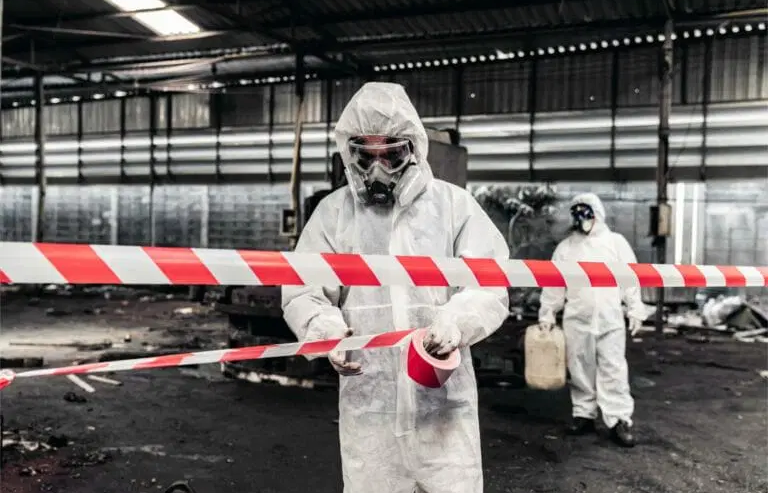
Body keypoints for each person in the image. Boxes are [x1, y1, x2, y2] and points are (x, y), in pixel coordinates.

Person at [281, 82, 509, 492]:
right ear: (348, 155)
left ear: (415, 149)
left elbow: (489, 284)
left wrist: (456, 322)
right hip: (371, 402)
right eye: (365, 157)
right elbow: (304, 290)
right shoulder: (333, 215)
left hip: (443, 404)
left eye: (392, 155)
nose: (378, 171)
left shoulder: (454, 208)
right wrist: (324, 330)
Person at [538, 192, 646, 448]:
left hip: (610, 317)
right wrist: (548, 313)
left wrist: (635, 309)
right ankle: (583, 414)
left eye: (587, 214)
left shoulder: (616, 243)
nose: (582, 220)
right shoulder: (566, 248)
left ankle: (618, 419)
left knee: (614, 368)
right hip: (577, 317)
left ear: (597, 215)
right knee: (579, 367)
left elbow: (629, 278)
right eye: (577, 214)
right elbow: (554, 283)